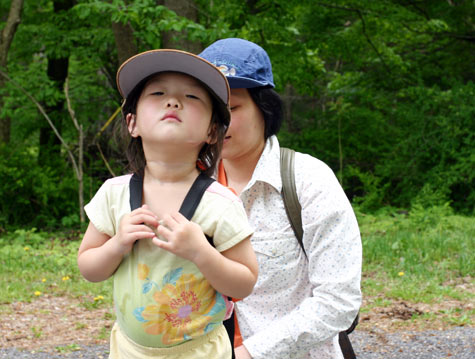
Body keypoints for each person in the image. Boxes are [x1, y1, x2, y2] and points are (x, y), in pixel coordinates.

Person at [77, 49, 258, 359]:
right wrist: (117, 243)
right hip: (128, 350)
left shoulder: (219, 203)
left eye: (191, 96)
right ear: (132, 123)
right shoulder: (113, 194)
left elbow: (244, 283)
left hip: (200, 352)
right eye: (158, 93)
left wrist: (200, 251)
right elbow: (88, 268)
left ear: (212, 131)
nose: (173, 102)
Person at [199, 38, 362, 359]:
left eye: (232, 108)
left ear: (265, 107)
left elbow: (338, 300)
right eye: (208, 108)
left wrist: (250, 354)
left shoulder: (307, 179)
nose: (219, 122)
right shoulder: (193, 184)